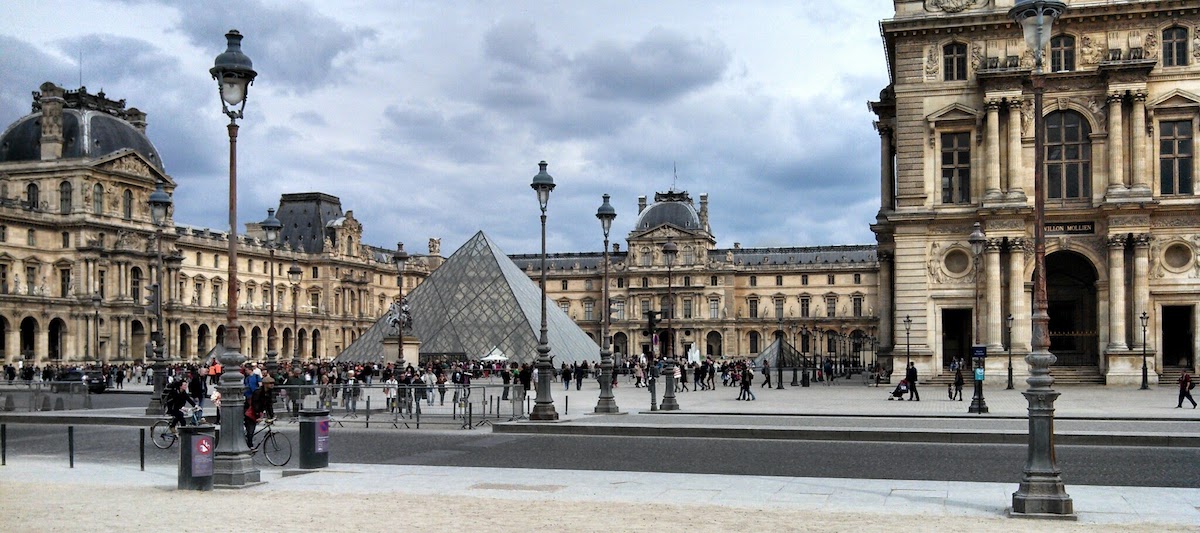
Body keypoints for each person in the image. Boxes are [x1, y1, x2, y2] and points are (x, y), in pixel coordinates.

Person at [243, 376, 275, 449]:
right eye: (270, 383)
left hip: (257, 413)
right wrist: (257, 415)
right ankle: (249, 446)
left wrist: (272, 415)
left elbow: (269, 405)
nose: (272, 385)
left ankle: (249, 443)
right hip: (250, 413)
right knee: (250, 430)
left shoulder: (269, 392)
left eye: (273, 383)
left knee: (251, 430)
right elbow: (255, 404)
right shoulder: (258, 392)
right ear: (265, 384)